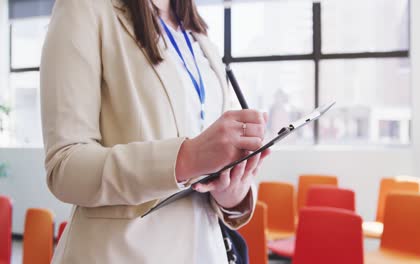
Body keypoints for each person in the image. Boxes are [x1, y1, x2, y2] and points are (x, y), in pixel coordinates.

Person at [40, 0, 269, 263]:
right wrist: (185, 158)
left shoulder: (197, 33)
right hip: (123, 253)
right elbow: (65, 167)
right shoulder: (84, 8)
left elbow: (210, 153)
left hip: (206, 250)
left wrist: (231, 191)